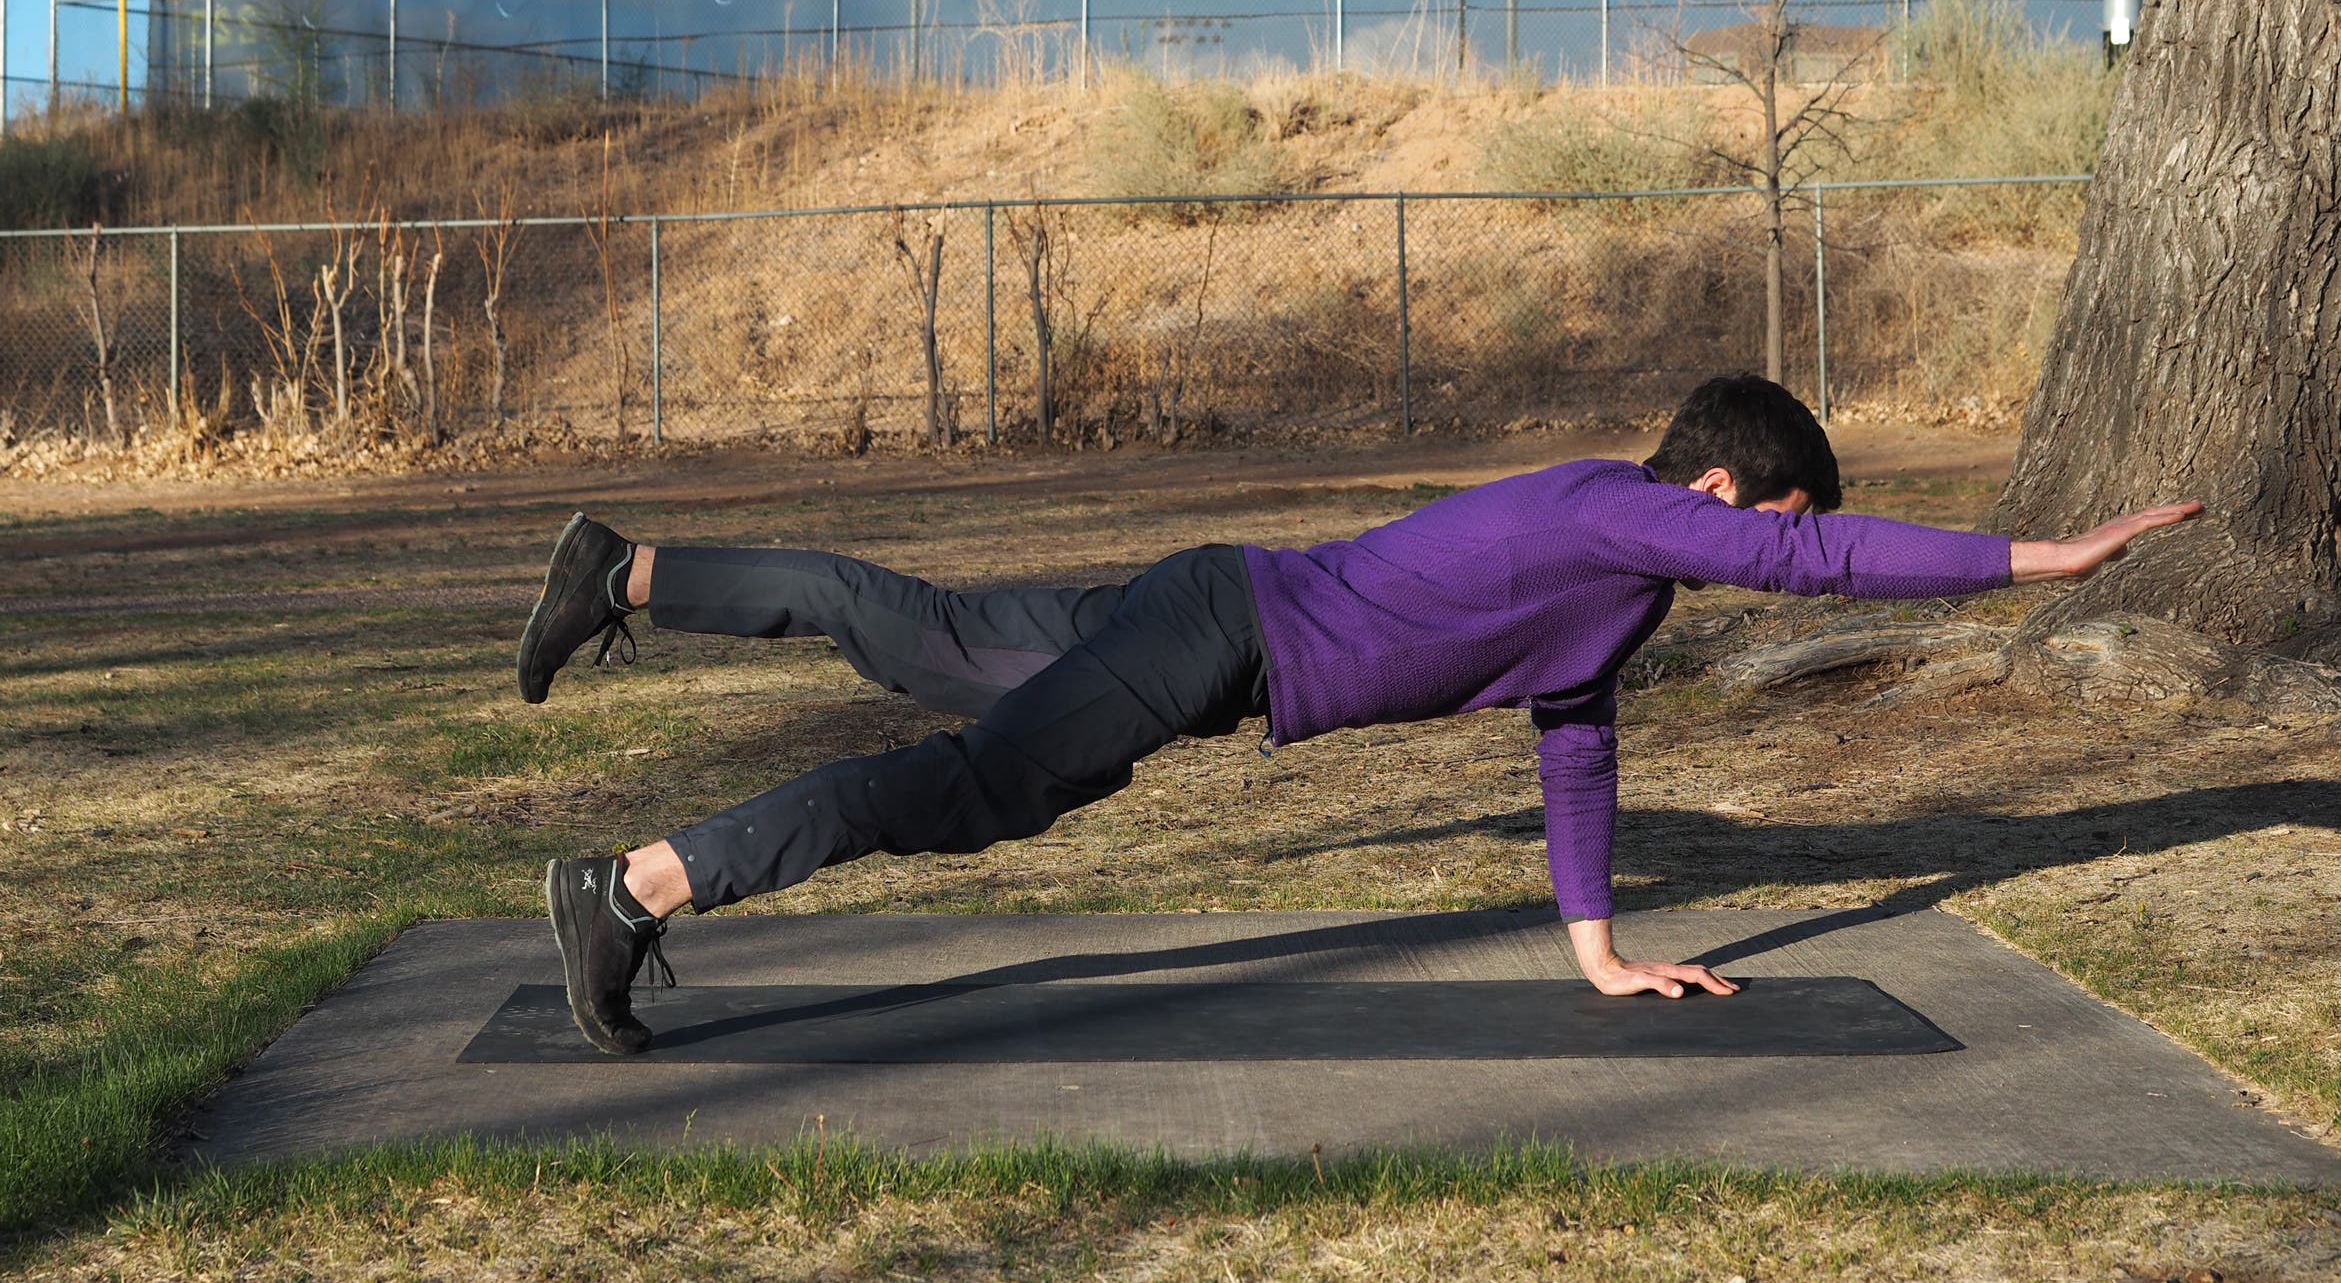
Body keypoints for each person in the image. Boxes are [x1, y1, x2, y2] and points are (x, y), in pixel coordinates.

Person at [523, 375, 2202, 1055]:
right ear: (1717, 494)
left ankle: (628, 570)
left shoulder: (1613, 583)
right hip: (1218, 637)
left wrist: (1600, 950)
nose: (1777, 561)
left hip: (1211, 608)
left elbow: (1576, 740)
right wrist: (2036, 556)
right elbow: (1819, 558)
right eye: (1771, 527)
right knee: (968, 789)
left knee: (920, 627)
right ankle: (636, 886)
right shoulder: (1618, 512)